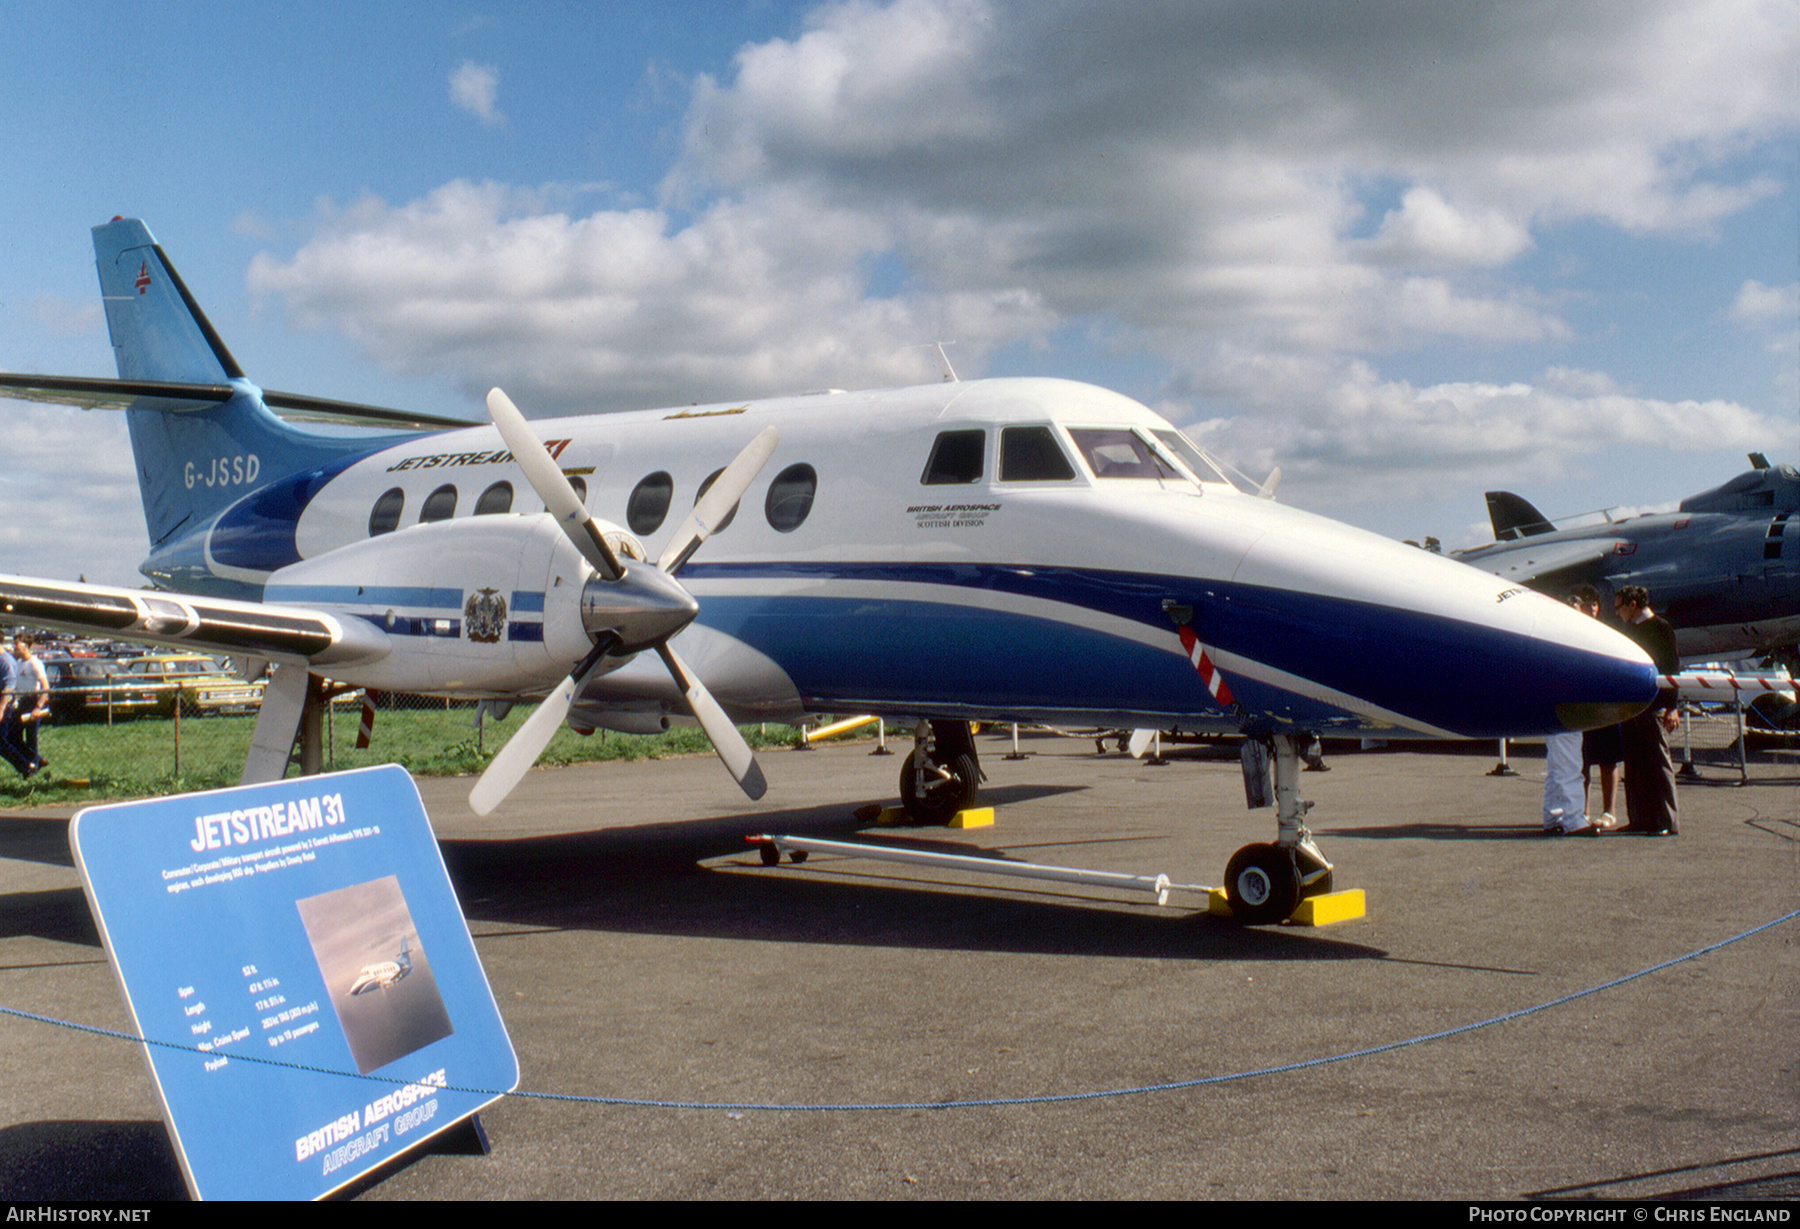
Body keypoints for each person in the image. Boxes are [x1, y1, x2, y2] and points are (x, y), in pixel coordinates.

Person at [1614, 585, 1679, 835]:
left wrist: (1672, 707)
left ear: (1632, 605)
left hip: (1655, 705)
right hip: (1633, 705)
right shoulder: (1630, 629)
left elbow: (1672, 668)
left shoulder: (1661, 627)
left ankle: (1666, 820)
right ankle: (1639, 818)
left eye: (1619, 607)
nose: (1617, 612)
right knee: (1634, 763)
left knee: (1658, 763)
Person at [1542, 595, 1594, 835]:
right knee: (1569, 765)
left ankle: (1552, 817)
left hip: (1557, 709)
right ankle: (1574, 820)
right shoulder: (1564, 641)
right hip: (1565, 709)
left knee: (1557, 766)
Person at [1573, 585, 1622, 830]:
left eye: (1594, 604)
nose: (1591, 608)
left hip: (1604, 704)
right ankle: (1582, 810)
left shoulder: (1609, 631)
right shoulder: (1567, 629)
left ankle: (1609, 811)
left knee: (1608, 760)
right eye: (1585, 603)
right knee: (1581, 762)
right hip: (1579, 705)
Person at [10, 634, 48, 771]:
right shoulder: (18, 664)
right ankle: (35, 760)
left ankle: (34, 767)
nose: (14, 647)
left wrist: (38, 707)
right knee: (12, 736)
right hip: (21, 703)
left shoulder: (35, 664)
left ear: (25, 647)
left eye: (17, 645)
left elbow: (45, 687)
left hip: (32, 701)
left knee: (31, 737)